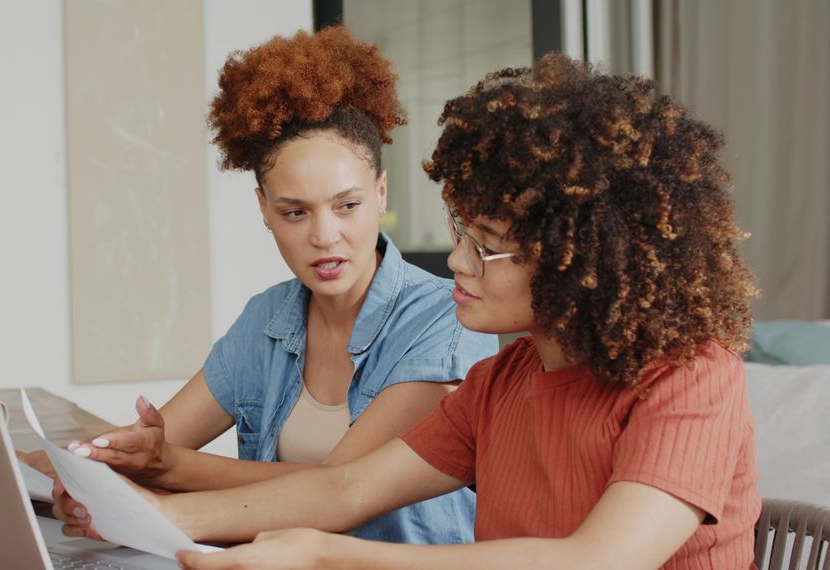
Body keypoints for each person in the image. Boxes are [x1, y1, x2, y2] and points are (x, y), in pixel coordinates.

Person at [56, 53, 762, 570]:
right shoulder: (502, 383)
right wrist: (153, 516)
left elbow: (595, 560)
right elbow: (343, 489)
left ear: (576, 260)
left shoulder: (692, 379)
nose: (455, 262)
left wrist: (324, 557)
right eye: (460, 234)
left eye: (485, 248)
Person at [44, 26, 496, 545]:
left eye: (347, 206)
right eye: (294, 212)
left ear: (381, 193)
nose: (325, 237)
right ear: (264, 209)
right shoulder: (268, 319)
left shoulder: (446, 320)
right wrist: (90, 471)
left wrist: (168, 473)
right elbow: (151, 445)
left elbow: (339, 491)